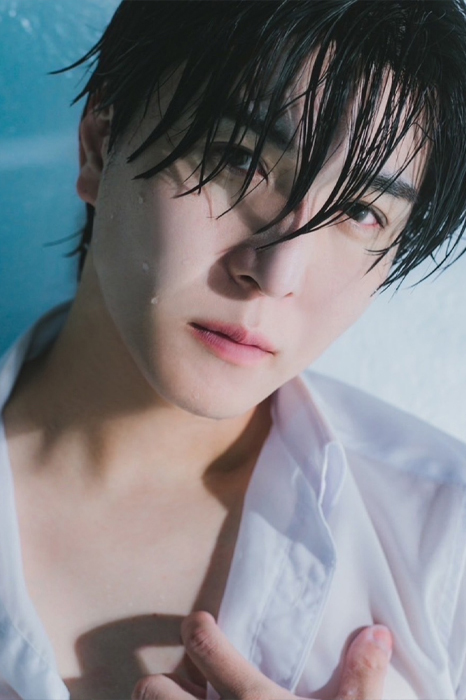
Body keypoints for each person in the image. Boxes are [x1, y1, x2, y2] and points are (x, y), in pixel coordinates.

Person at [1, 0, 466, 698]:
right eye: (238, 160)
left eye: (361, 212)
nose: (275, 274)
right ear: (100, 142)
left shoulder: (445, 543)